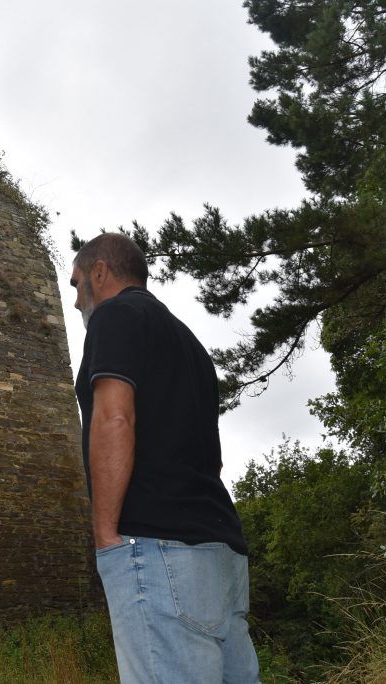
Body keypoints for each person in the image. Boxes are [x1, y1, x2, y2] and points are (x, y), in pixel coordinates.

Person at [70, 233, 260, 683]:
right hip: (221, 552)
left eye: (77, 284)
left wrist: (105, 535)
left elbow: (115, 418)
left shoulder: (114, 316)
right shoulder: (191, 345)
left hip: (155, 550)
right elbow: (211, 459)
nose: (77, 301)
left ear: (100, 273)